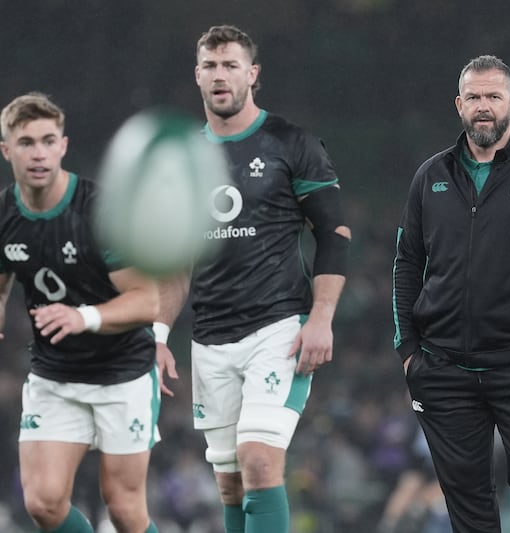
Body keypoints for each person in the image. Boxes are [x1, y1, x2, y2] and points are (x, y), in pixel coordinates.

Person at [155, 25, 350, 533]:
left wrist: (322, 319)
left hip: (279, 328)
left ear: (252, 75)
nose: (221, 76)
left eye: (231, 65)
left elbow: (334, 233)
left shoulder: (291, 143)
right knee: (231, 483)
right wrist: (156, 336)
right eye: (211, 66)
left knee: (260, 461)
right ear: (198, 76)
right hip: (211, 338)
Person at [392, 55, 510, 533]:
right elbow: (408, 263)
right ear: (459, 104)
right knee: (467, 501)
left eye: (493, 96)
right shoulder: (429, 176)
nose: (484, 107)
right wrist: (408, 351)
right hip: (443, 370)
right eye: (474, 97)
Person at [0, 92, 161, 532]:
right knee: (43, 504)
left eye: (48, 141)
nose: (39, 153)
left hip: (121, 373)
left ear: (63, 146)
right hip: (55, 375)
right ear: (6, 150)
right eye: (27, 142)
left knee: (125, 511)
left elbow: (147, 300)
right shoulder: (3, 214)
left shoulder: (97, 210)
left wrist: (82, 316)